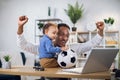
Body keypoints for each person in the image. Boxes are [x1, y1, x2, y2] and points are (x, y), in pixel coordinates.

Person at [17, 15, 104, 80]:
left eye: (67, 35)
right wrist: (20, 26)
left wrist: (100, 31)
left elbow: (91, 43)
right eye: (61, 34)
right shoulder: (43, 48)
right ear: (54, 34)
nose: (65, 38)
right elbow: (23, 45)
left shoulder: (72, 48)